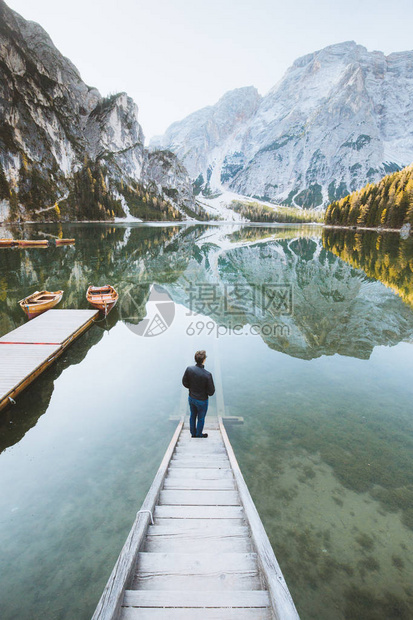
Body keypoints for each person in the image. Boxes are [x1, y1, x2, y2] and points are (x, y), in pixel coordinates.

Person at [182, 350, 215, 438]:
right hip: (202, 400)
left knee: (192, 415)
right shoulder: (207, 375)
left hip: (192, 397)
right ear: (204, 360)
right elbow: (211, 392)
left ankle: (193, 433)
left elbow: (184, 382)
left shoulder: (189, 369)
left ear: (195, 359)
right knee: (201, 418)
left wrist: (192, 388)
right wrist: (204, 391)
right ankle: (199, 434)